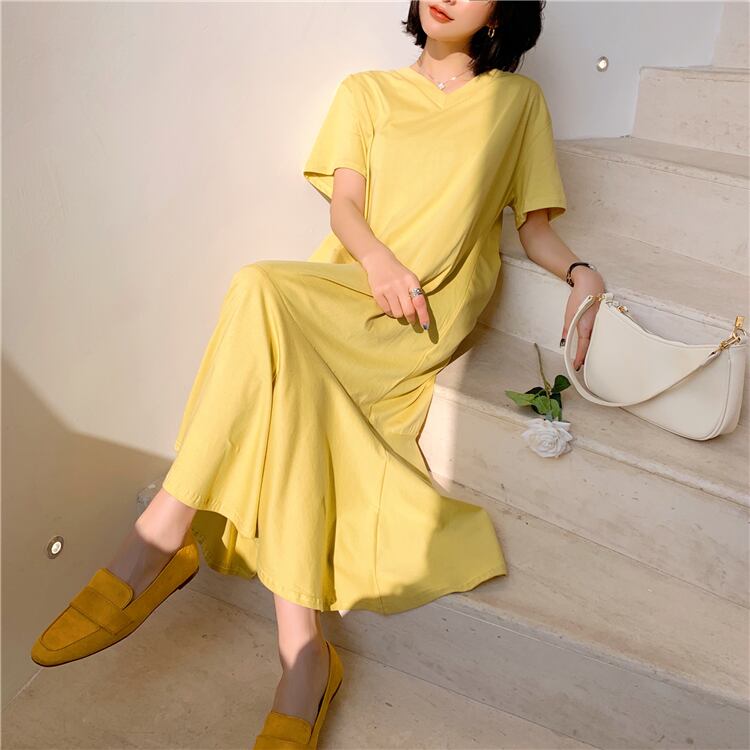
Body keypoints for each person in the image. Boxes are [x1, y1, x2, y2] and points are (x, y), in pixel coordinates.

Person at [30, 1, 606, 747]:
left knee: (260, 296)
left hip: (425, 311)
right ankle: (302, 658)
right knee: (265, 302)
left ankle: (160, 542)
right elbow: (346, 208)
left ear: (501, 13)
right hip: (356, 282)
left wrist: (582, 275)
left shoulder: (517, 101)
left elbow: (533, 228)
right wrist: (378, 260)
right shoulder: (366, 91)